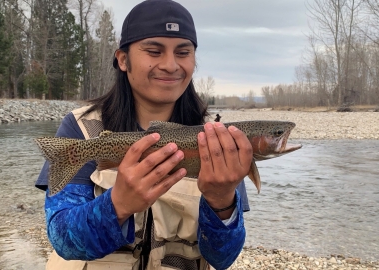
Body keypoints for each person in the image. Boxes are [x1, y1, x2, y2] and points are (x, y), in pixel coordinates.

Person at [35, 0, 252, 269]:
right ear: (123, 60)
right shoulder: (82, 129)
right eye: (154, 51)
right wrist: (118, 205)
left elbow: (223, 258)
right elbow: (63, 239)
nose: (171, 65)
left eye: (183, 53)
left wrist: (222, 202)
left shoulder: (215, 139)